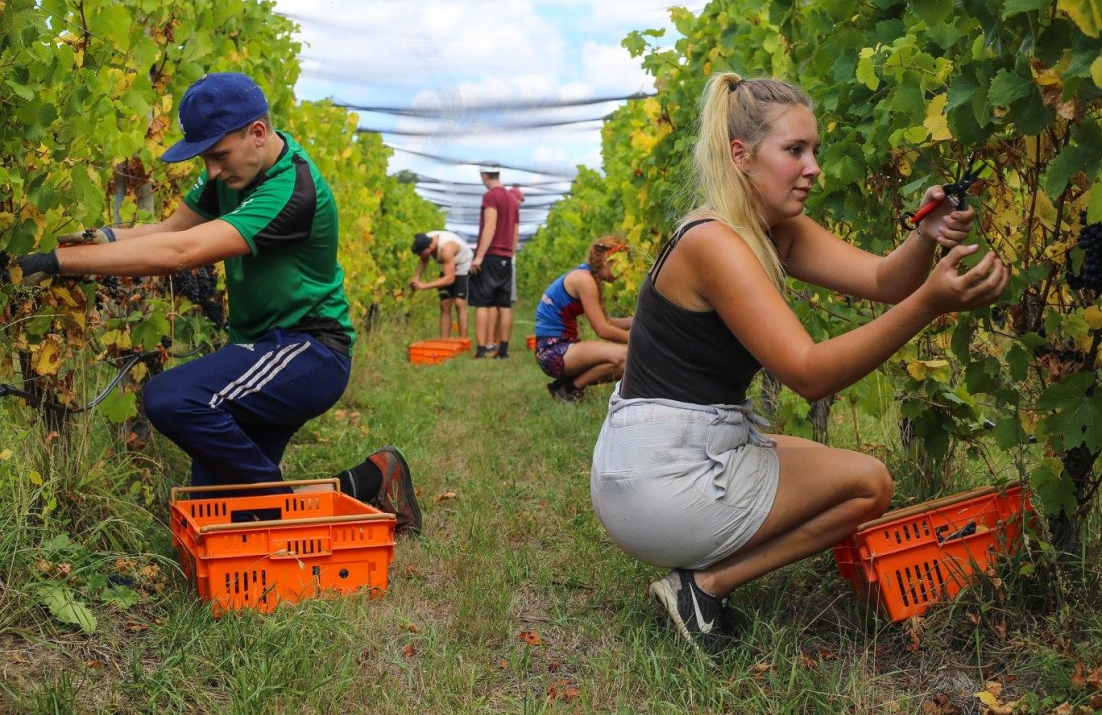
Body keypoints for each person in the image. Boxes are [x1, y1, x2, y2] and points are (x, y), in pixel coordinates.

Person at [589, 73, 1008, 653]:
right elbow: (807, 372)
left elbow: (883, 280)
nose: (813, 167)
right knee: (867, 483)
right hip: (657, 484)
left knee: (828, 465)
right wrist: (930, 304)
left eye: (814, 150)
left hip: (661, 456)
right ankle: (704, 587)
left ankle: (699, 569)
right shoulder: (715, 243)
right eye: (795, 151)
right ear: (741, 155)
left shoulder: (772, 229)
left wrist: (925, 237)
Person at [16, 72, 421, 535]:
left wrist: (60, 262)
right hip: (260, 349)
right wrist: (101, 238)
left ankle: (296, 519)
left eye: (218, 155)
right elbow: (173, 230)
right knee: (221, 517)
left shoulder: (292, 190)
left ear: (258, 133)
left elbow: (179, 254)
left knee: (170, 398)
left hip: (309, 352)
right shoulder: (234, 167)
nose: (211, 171)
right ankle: (371, 479)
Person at [534, 236, 632, 403]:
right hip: (553, 352)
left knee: (628, 363)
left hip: (557, 350)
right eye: (620, 263)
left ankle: (566, 386)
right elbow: (602, 330)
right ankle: (569, 389)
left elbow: (607, 322)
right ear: (607, 258)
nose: (624, 270)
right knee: (626, 357)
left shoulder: (591, 278)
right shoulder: (584, 280)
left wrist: (638, 320)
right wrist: (640, 340)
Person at [469, 164, 520, 359]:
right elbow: (515, 232)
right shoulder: (511, 199)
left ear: (484, 175)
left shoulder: (491, 196)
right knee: (504, 304)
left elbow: (489, 227)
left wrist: (479, 257)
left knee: (482, 302)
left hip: (491, 255)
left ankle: (482, 350)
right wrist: (510, 254)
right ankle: (503, 351)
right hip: (506, 257)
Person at [410, 230, 473, 339]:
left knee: (459, 302)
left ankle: (463, 341)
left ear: (429, 248)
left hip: (462, 263)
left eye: (420, 253)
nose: (420, 255)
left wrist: (424, 286)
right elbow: (424, 260)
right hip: (448, 264)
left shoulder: (446, 250)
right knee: (445, 304)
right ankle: (444, 341)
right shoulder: (426, 241)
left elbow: (450, 279)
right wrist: (417, 277)